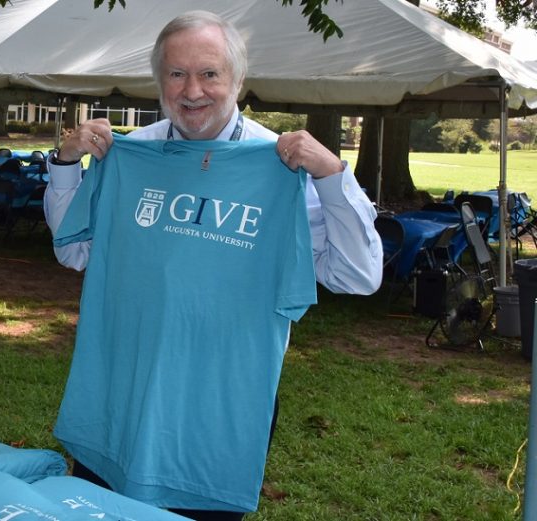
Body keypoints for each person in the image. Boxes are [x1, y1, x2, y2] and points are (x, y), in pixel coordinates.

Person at [43, 10, 382, 521]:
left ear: (238, 80)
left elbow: (358, 276)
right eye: (176, 74)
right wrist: (67, 165)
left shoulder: (280, 167)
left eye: (209, 73)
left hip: (215, 416)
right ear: (159, 82)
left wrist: (333, 176)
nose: (192, 90)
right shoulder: (134, 155)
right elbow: (73, 249)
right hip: (120, 391)